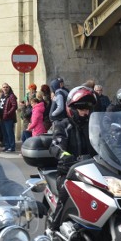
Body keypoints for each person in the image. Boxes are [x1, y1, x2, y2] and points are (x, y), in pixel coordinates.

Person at [47, 86, 97, 232]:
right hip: (70, 172)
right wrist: (65, 155)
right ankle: (53, 229)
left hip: (95, 171)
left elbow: (108, 140)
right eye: (81, 108)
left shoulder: (95, 126)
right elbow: (56, 144)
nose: (85, 112)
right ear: (72, 108)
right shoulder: (63, 125)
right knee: (66, 191)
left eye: (87, 108)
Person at [1, 83, 17, 152]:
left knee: (9, 133)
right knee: (4, 133)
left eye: (6, 87)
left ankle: (12, 147)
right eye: (4, 87)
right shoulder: (2, 96)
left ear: (9, 88)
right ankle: (7, 146)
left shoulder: (11, 96)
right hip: (2, 117)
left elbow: (14, 106)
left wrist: (8, 113)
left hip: (8, 118)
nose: (5, 88)